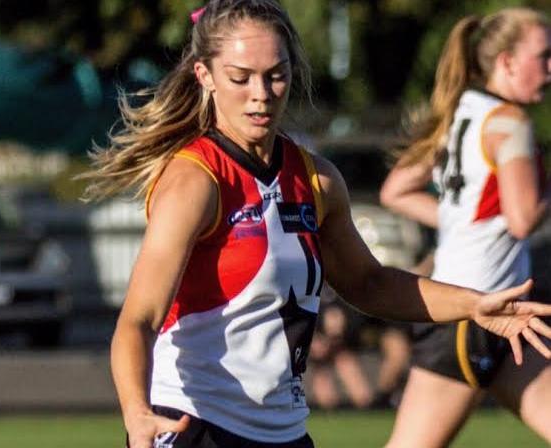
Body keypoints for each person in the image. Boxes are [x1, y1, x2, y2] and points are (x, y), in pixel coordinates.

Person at [80, 2, 551, 447]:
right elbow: (138, 320)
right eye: (240, 78)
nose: (261, 95)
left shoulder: (317, 178)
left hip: (282, 431)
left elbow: (370, 283)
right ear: (205, 76)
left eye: (276, 76)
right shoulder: (196, 181)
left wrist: (474, 304)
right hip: (196, 424)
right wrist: (136, 411)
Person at [380, 7, 551, 447]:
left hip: (506, 313)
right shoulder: (509, 121)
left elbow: (396, 189)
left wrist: (461, 223)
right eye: (543, 56)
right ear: (507, 62)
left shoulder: (461, 111)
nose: (550, 69)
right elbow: (524, 217)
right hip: (469, 312)